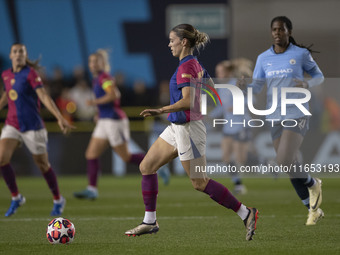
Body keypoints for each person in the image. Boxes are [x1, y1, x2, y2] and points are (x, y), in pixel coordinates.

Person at [124, 24, 259, 241]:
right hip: (177, 127)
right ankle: (150, 221)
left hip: (188, 129)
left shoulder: (187, 67)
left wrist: (161, 109)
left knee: (200, 182)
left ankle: (246, 212)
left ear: (183, 41)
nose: (169, 44)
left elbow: (187, 101)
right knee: (146, 166)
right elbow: (213, 95)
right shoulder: (196, 65)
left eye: (172, 40)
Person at [238, 16, 324, 225]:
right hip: (274, 115)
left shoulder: (301, 54)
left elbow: (319, 76)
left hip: (297, 111)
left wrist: (307, 84)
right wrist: (245, 87)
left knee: (284, 160)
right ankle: (312, 209)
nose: (278, 33)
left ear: (289, 32)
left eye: (282, 29)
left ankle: (314, 183)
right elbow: (257, 87)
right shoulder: (263, 58)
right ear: (271, 32)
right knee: (289, 165)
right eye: (274, 30)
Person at [0, 43, 74, 217]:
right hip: (12, 124)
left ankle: (58, 199)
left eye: (21, 52)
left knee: (42, 165)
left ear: (25, 56)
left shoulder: (31, 74)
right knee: (2, 159)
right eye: (15, 51)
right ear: (11, 55)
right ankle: (16, 197)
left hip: (33, 126)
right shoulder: (6, 74)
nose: (18, 54)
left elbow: (44, 96)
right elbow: (6, 95)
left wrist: (59, 117)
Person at [73, 49, 145, 200]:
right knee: (91, 154)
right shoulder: (97, 79)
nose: (92, 64)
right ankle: (92, 189)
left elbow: (114, 95)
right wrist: (99, 113)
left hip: (114, 120)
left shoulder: (104, 77)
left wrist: (94, 102)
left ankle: (157, 164)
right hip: (104, 120)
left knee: (125, 157)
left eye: (96, 61)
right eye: (90, 61)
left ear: (103, 63)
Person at [211, 59, 254, 195]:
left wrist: (236, 107)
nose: (218, 74)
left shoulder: (236, 85)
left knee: (241, 158)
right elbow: (221, 108)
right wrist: (208, 115)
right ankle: (238, 184)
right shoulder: (222, 89)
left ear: (228, 72)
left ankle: (268, 165)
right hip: (228, 127)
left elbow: (249, 102)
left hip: (241, 124)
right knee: (226, 157)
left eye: (221, 71)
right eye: (217, 72)